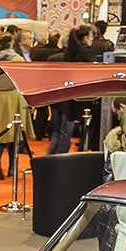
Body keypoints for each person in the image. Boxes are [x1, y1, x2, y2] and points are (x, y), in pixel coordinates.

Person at [0, 47, 35, 180]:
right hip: (16, 99)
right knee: (15, 136)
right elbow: (27, 81)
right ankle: (12, 168)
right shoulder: (19, 60)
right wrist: (31, 102)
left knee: (0, 135)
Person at [47, 24, 97, 155]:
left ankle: (49, 160)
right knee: (65, 133)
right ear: (85, 38)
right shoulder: (86, 53)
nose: (92, 39)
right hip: (73, 99)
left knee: (56, 133)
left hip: (57, 98)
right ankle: (60, 162)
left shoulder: (67, 54)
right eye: (91, 36)